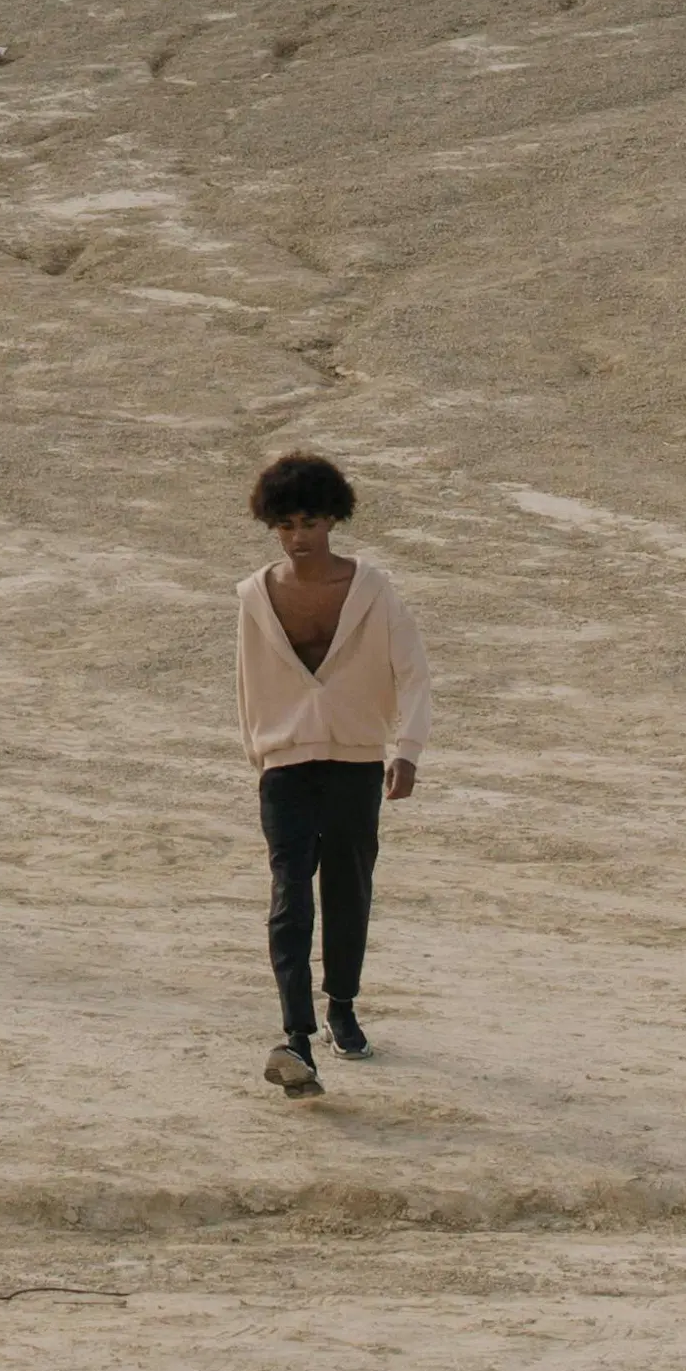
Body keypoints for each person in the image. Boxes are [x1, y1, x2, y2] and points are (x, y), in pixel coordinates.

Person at [237, 447, 427, 1096]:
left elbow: (413, 671)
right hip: (285, 766)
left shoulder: (372, 590)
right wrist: (260, 754)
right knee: (290, 896)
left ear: (333, 521)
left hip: (356, 762)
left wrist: (407, 749)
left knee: (348, 891)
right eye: (286, 525)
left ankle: (341, 1006)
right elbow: (248, 683)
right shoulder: (255, 597)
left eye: (310, 524)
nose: (298, 538)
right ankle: (296, 1038)